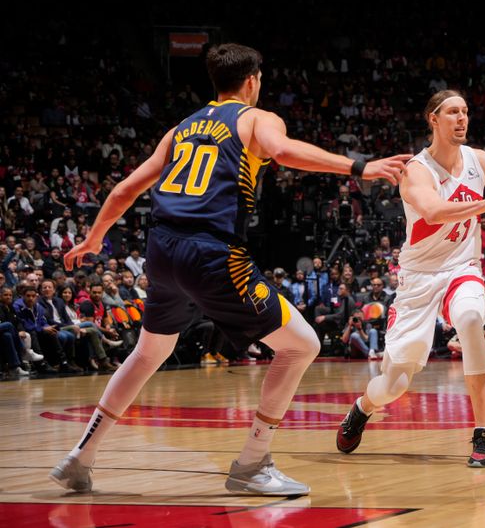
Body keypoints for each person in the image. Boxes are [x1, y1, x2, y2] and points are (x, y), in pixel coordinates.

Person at [50, 43, 409, 496]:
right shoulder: (257, 118)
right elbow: (281, 152)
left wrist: (95, 238)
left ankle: (80, 457)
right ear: (253, 80)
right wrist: (360, 166)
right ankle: (253, 464)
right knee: (301, 345)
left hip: (161, 249)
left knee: (147, 353)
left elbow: (125, 189)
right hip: (210, 252)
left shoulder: (181, 127)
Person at [335, 90, 485, 468]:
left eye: (465, 111)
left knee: (469, 319)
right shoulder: (415, 169)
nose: (461, 118)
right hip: (418, 278)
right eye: (452, 112)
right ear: (433, 118)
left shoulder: (481, 161)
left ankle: (484, 434)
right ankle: (363, 407)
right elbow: (432, 212)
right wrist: (484, 204)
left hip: (462, 267)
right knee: (393, 386)